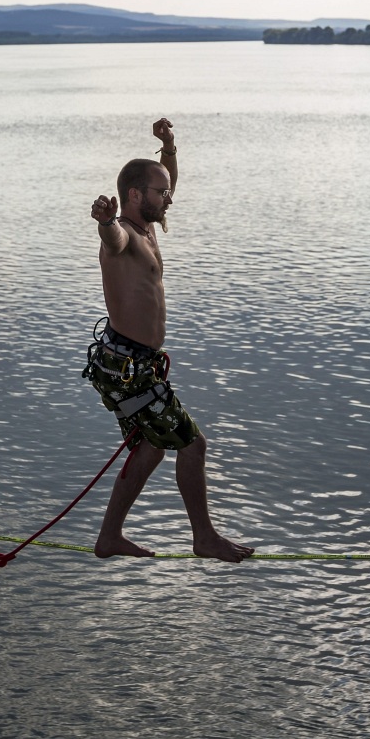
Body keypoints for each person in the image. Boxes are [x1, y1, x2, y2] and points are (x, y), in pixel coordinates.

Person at [83, 117, 254, 562]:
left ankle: (109, 537)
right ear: (135, 196)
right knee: (192, 445)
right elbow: (112, 237)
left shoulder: (149, 225)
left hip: (123, 364)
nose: (169, 198)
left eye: (167, 192)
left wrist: (169, 146)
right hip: (128, 369)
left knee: (151, 448)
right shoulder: (124, 237)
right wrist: (104, 221)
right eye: (160, 193)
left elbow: (167, 179)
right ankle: (205, 538)